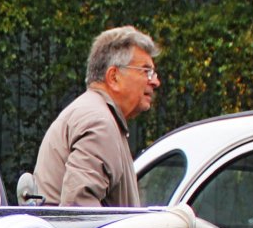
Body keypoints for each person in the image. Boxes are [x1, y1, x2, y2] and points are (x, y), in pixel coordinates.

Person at [31, 26, 161, 207]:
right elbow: (80, 210)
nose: (155, 81)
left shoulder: (92, 112)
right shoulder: (99, 122)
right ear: (114, 77)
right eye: (146, 71)